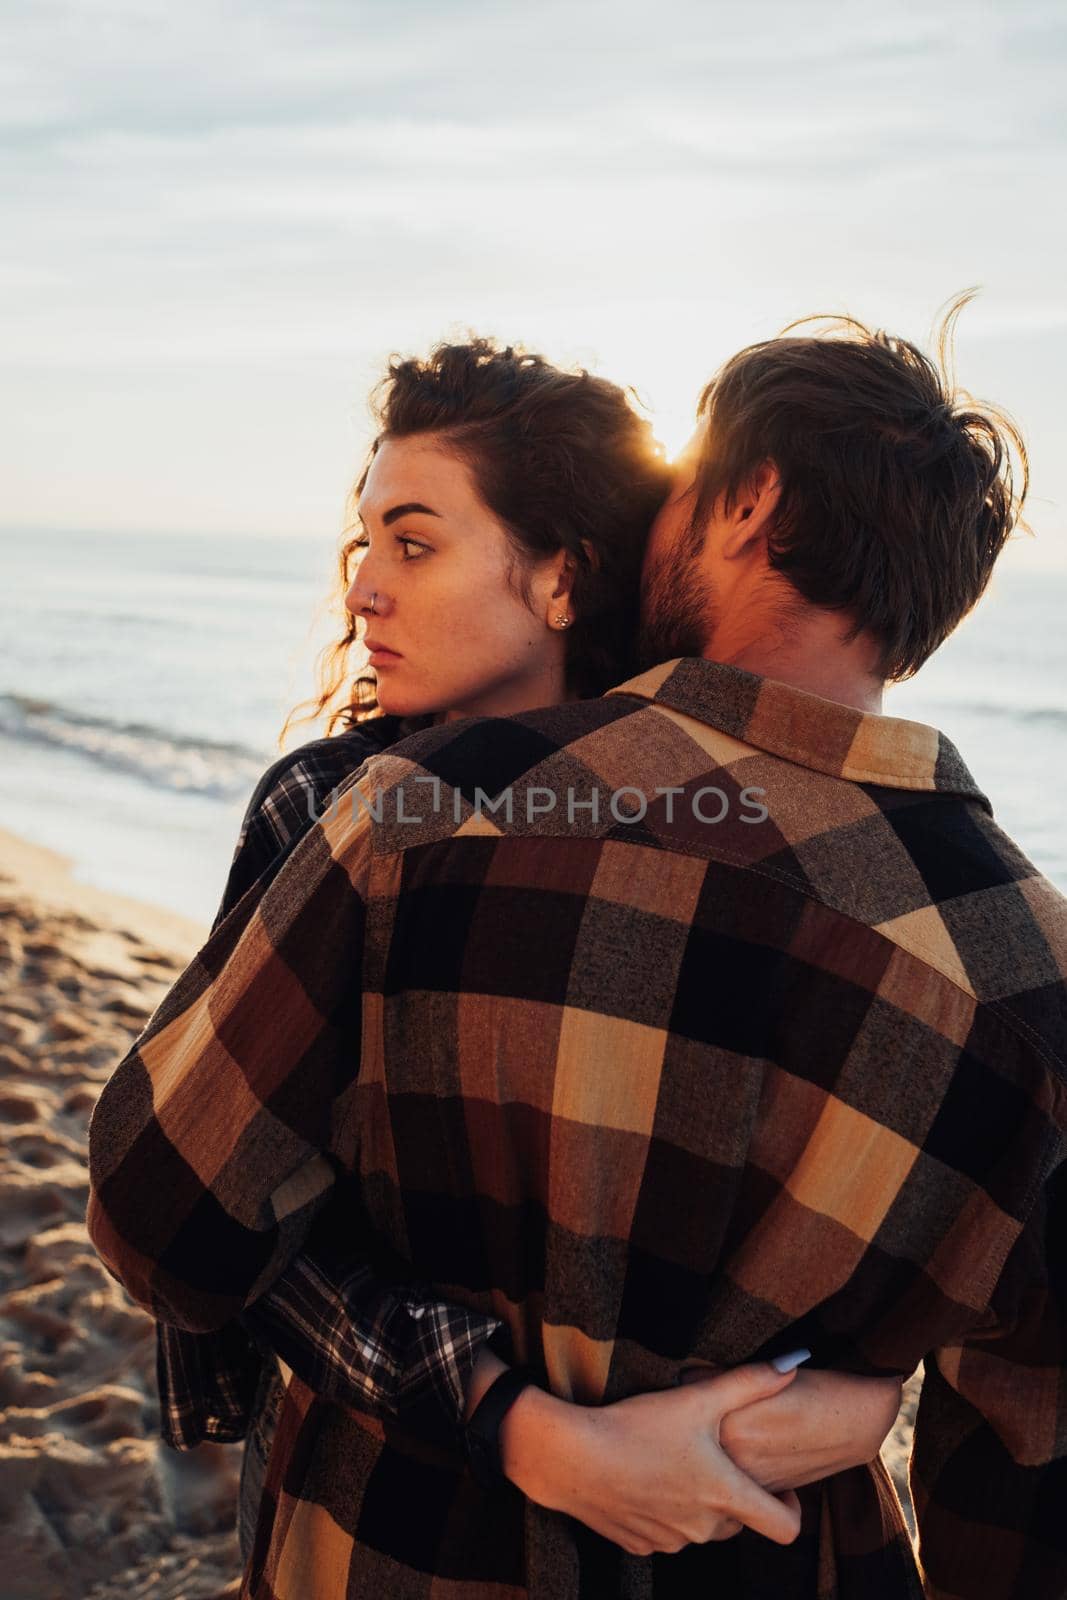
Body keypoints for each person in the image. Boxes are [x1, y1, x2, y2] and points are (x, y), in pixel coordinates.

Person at [88, 302, 1067, 1599]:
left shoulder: (419, 814)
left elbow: (162, 1210)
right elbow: (1031, 1453)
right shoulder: (1028, 970)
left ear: (748, 498)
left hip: (393, 1554)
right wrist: (864, 1385)